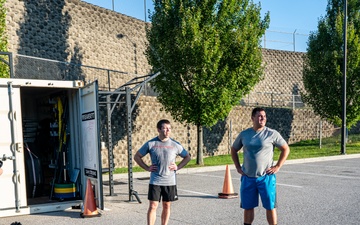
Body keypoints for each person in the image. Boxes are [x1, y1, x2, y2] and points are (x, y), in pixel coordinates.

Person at [231, 107, 290, 225]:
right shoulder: (244, 134)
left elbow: (285, 149)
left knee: (270, 206)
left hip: (266, 177)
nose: (262, 118)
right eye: (259, 116)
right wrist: (238, 167)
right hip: (248, 177)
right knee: (248, 207)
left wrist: (277, 166)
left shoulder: (272, 134)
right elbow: (234, 149)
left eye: (264, 116)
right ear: (252, 118)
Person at [134, 119, 191, 225]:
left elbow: (187, 157)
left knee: (167, 205)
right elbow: (137, 156)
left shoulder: (175, 144)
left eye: (169, 129)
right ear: (159, 129)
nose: (167, 131)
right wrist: (147, 168)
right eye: (165, 128)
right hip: (155, 180)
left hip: (169, 181)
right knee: (153, 206)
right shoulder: (151, 144)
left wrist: (178, 167)